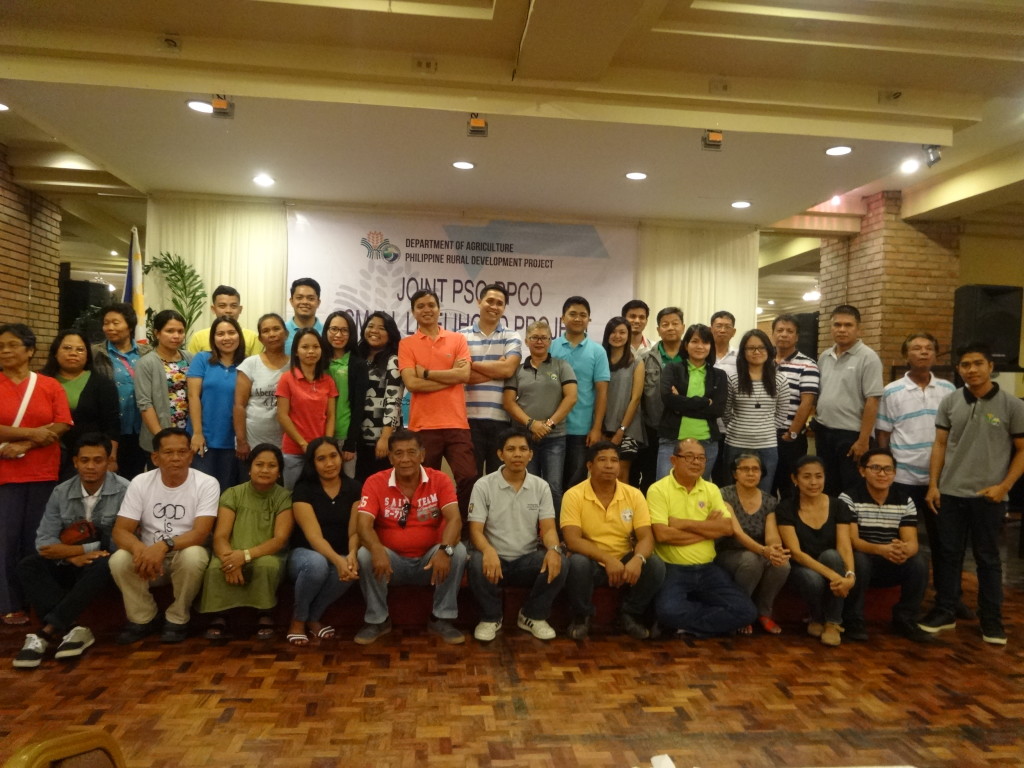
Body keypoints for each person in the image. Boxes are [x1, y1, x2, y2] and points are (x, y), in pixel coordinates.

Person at [919, 343, 1024, 645]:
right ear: (958, 369)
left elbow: (1021, 450)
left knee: (988, 559)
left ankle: (991, 620)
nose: (972, 370)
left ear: (991, 367)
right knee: (948, 555)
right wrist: (934, 484)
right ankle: (945, 610)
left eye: (978, 363)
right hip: (950, 493)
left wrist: (1004, 487)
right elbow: (939, 445)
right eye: (965, 365)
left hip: (989, 498)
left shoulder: (1012, 405)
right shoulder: (950, 402)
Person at [13, 434, 129, 668]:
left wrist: (83, 550)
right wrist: (72, 556)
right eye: (84, 460)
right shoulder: (61, 492)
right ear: (75, 462)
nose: (90, 466)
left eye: (98, 460)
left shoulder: (126, 489)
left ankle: (46, 633)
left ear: (108, 461)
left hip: (103, 566)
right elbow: (44, 542)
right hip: (69, 563)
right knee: (28, 564)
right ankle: (74, 629)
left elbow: (121, 542)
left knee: (105, 561)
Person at [874, 332, 963, 616]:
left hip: (939, 480)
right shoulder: (892, 391)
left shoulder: (949, 389)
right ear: (906, 355)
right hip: (902, 479)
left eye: (928, 348)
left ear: (935, 355)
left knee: (945, 543)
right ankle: (899, 597)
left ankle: (949, 598)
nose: (923, 353)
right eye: (916, 348)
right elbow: (884, 434)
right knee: (899, 538)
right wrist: (889, 470)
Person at [354, 428, 468, 645]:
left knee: (458, 551)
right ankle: (378, 620)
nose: (405, 459)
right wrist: (377, 549)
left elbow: (454, 520)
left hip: (430, 562)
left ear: (422, 455)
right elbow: (363, 524)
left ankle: (441, 618)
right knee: (365, 554)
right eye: (398, 453)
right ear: (390, 457)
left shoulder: (440, 480)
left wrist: (445, 550)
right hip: (389, 563)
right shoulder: (375, 481)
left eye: (411, 452)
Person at [109, 427, 218, 644]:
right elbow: (120, 530)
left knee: (194, 554)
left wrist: (163, 546)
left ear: (191, 454)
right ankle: (143, 617)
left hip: (182, 555)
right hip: (148, 561)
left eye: (182, 452)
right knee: (119, 559)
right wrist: (141, 550)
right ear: (156, 457)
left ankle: (178, 618)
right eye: (168, 453)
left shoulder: (207, 483)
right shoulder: (140, 482)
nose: (176, 458)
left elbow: (200, 533)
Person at [0, 323, 71, 626]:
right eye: (1, 346)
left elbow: (62, 423)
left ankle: (37, 600)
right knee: (5, 540)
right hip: (5, 475)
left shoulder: (49, 385)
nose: (5, 351)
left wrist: (26, 443)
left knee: (37, 540)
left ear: (30, 350)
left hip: (42, 473)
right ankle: (9, 602)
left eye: (12, 345)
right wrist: (29, 434)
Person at [648, 439, 757, 637]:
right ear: (673, 460)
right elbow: (663, 535)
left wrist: (682, 523)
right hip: (673, 569)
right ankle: (703, 624)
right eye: (689, 457)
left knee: (747, 611)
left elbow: (725, 528)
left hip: (708, 569)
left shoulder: (711, 489)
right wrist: (707, 529)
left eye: (701, 458)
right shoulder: (658, 490)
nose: (696, 462)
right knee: (668, 611)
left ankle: (684, 627)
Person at [467, 429, 567, 642]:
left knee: (561, 561)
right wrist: (487, 550)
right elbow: (475, 530)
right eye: (511, 449)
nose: (517, 454)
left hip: (527, 561)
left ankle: (532, 615)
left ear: (531, 454)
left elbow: (549, 528)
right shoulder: (483, 485)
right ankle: (490, 618)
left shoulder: (540, 486)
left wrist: (553, 549)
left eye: (523, 449)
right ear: (500, 454)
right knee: (475, 561)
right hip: (495, 561)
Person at [561, 442, 665, 640]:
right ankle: (582, 616)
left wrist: (638, 558)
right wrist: (608, 560)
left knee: (654, 564)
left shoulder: (633, 494)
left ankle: (630, 614)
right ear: (589, 466)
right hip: (591, 561)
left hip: (625, 561)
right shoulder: (573, 495)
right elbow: (572, 540)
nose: (609, 465)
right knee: (576, 562)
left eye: (614, 460)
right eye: (602, 460)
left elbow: (646, 537)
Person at [199, 443, 293, 640]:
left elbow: (279, 540)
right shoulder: (232, 494)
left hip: (266, 553)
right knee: (216, 567)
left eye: (272, 466)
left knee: (267, 566)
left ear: (279, 472)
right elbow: (221, 536)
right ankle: (220, 615)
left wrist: (246, 556)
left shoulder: (284, 497)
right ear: (249, 469)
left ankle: (264, 613)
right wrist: (230, 560)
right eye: (259, 464)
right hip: (231, 551)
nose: (265, 470)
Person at [839, 448, 932, 644]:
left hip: (891, 559)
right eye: (876, 468)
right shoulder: (848, 498)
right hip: (863, 559)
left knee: (919, 561)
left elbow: (912, 541)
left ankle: (905, 619)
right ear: (862, 471)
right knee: (859, 560)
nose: (882, 474)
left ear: (895, 473)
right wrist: (882, 549)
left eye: (888, 469)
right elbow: (853, 541)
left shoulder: (905, 500)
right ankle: (853, 620)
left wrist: (904, 550)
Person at [397, 289, 476, 517]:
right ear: (413, 312)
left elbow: (464, 376)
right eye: (420, 306)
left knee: (469, 477)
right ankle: (428, 530)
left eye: (431, 305)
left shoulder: (457, 339)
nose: (426, 309)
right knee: (424, 483)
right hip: (422, 426)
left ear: (439, 309)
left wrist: (428, 373)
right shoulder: (407, 344)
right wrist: (451, 378)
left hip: (456, 424)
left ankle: (462, 531)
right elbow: (412, 384)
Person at [287, 437, 362, 646]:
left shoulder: (355, 488)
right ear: (312, 463)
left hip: (340, 552)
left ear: (341, 457)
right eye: (321, 459)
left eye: (333, 456)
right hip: (304, 555)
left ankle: (313, 617)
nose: (329, 463)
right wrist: (338, 562)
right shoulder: (303, 489)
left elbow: (354, 532)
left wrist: (352, 555)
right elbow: (313, 537)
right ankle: (297, 621)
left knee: (356, 563)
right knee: (318, 564)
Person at [776, 456, 857, 647]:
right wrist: (836, 577)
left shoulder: (838, 505)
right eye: (807, 477)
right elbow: (795, 553)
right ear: (795, 479)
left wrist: (850, 576)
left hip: (832, 563)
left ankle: (833, 623)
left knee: (832, 555)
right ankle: (817, 617)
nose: (814, 482)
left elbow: (844, 546)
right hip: (801, 566)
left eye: (818, 476)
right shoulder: (786, 508)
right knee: (811, 578)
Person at [502, 320, 577, 514]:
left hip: (555, 438)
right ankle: (529, 533)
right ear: (526, 341)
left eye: (544, 337)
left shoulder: (562, 366)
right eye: (534, 337)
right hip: (524, 438)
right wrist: (532, 424)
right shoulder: (517, 370)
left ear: (550, 341)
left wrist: (548, 425)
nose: (539, 341)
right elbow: (509, 402)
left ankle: (555, 534)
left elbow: (571, 397)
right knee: (527, 486)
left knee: (553, 487)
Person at [714, 453, 791, 635]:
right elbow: (737, 533)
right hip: (729, 552)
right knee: (751, 561)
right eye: (745, 469)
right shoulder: (723, 495)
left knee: (782, 565)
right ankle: (742, 612)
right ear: (735, 474)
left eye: (755, 469)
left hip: (759, 552)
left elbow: (772, 535)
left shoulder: (769, 501)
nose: (750, 473)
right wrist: (764, 551)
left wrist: (775, 549)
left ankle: (764, 613)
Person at [814, 304, 883, 496]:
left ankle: (849, 526)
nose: (842, 329)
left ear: (858, 328)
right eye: (837, 325)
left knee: (851, 488)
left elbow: (873, 401)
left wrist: (863, 440)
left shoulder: (868, 358)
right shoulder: (824, 356)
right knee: (827, 486)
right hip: (824, 432)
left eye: (848, 325)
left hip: (851, 436)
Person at [39, 329, 119, 480]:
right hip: (44, 454)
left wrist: (111, 458)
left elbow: (112, 426)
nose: (73, 353)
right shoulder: (39, 381)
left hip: (88, 459)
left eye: (80, 349)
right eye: (67, 348)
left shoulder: (102, 384)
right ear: (55, 352)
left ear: (88, 354)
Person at [459, 283, 522, 475]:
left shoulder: (511, 335)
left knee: (499, 479)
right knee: (471, 477)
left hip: (500, 419)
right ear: (479, 302)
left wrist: (473, 365)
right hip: (468, 419)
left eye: (500, 303)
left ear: (504, 308)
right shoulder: (461, 336)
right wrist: (496, 367)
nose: (494, 306)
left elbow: (508, 369)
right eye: (490, 301)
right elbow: (460, 375)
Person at [550, 296, 611, 488]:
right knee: (550, 483)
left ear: (589, 320)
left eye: (583, 315)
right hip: (551, 426)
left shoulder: (597, 351)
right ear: (562, 318)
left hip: (582, 430)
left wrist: (596, 428)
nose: (578, 319)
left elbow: (602, 393)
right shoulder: (551, 346)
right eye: (573, 314)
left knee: (574, 483)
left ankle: (569, 519)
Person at [658, 323, 727, 481]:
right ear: (686, 344)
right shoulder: (672, 369)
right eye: (695, 341)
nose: (700, 346)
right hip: (672, 441)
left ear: (711, 346)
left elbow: (718, 409)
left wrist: (681, 404)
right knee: (664, 491)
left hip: (706, 443)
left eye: (705, 342)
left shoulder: (719, 375)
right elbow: (668, 399)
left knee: (697, 493)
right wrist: (704, 402)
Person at [723, 329, 789, 494]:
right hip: (736, 444)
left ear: (769, 350)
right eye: (750, 348)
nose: (756, 352)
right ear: (743, 352)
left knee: (763, 493)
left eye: (761, 347)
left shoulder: (779, 380)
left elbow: (781, 414)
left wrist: (764, 427)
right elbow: (725, 412)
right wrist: (741, 426)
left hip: (767, 446)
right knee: (733, 493)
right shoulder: (733, 378)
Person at [91, 302, 152, 479]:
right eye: (106, 323)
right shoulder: (96, 353)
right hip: (110, 430)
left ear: (130, 325)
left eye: (115, 323)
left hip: (142, 429)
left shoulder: (147, 353)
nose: (109, 327)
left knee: (138, 478)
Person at [187, 316, 245, 491]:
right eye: (220, 334)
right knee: (202, 491)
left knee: (227, 492)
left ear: (239, 336)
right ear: (213, 338)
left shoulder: (248, 363)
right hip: (204, 440)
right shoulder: (202, 359)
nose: (226, 338)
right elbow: (193, 396)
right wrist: (197, 433)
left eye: (231, 333)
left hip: (233, 442)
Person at [276, 328, 337, 489]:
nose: (311, 351)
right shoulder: (286, 379)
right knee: (293, 495)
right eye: (305, 347)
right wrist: (303, 444)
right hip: (294, 450)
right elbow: (282, 416)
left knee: (319, 496)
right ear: (296, 351)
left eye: (316, 347)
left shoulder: (328, 381)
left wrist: (327, 444)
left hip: (321, 453)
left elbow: (330, 416)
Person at [635, 307, 684, 491]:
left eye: (675, 323)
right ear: (658, 330)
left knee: (683, 478)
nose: (670, 328)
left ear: (683, 326)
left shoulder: (692, 358)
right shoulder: (645, 358)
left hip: (685, 428)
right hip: (652, 429)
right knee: (651, 478)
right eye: (665, 324)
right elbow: (638, 397)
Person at [772, 314, 819, 500]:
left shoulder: (808, 365)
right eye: (780, 330)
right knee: (766, 485)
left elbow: (807, 402)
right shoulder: (764, 362)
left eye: (789, 331)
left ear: (797, 336)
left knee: (789, 488)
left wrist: (792, 433)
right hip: (764, 435)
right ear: (773, 334)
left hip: (789, 437)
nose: (784, 335)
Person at [135, 309, 193, 457]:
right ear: (157, 333)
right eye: (170, 331)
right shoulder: (146, 363)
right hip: (160, 434)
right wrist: (162, 438)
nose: (176, 336)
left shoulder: (190, 358)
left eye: (180, 331)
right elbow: (145, 403)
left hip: (189, 433)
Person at [234, 312, 290, 462]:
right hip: (253, 442)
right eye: (265, 331)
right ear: (260, 338)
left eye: (276, 329)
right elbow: (239, 405)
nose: (272, 334)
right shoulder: (250, 364)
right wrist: (241, 441)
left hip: (286, 442)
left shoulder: (295, 365)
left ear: (286, 333)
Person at [355, 311, 404, 482]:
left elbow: (394, 400)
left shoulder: (393, 360)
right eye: (370, 326)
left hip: (381, 442)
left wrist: (385, 437)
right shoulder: (358, 356)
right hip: (358, 439)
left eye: (381, 328)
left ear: (390, 334)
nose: (374, 331)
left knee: (382, 488)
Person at [323, 310, 370, 480]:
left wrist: (351, 443)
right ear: (326, 331)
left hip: (344, 435)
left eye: (344, 330)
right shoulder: (317, 361)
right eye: (333, 329)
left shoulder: (358, 364)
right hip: (318, 435)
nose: (338, 334)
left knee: (347, 485)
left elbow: (359, 407)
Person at [601, 316, 645, 482]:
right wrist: (598, 427)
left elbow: (636, 398)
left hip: (628, 428)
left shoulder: (636, 362)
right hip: (601, 426)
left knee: (621, 475)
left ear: (628, 335)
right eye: (613, 332)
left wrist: (621, 430)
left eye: (622, 332)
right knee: (599, 473)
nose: (617, 336)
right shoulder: (600, 358)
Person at [187, 285, 262, 356]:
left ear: (240, 309)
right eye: (222, 306)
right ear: (213, 309)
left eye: (233, 306)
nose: (228, 310)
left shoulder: (253, 338)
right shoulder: (198, 337)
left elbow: (257, 366)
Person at [710, 311, 738, 485]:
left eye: (727, 327)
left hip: (731, 428)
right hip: (706, 426)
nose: (722, 330)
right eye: (718, 326)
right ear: (710, 329)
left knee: (725, 476)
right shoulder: (701, 353)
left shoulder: (740, 357)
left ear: (733, 332)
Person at [285, 277, 324, 352]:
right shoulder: (281, 331)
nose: (305, 302)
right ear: (291, 301)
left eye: (311, 298)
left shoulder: (327, 332)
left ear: (318, 302)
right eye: (299, 298)